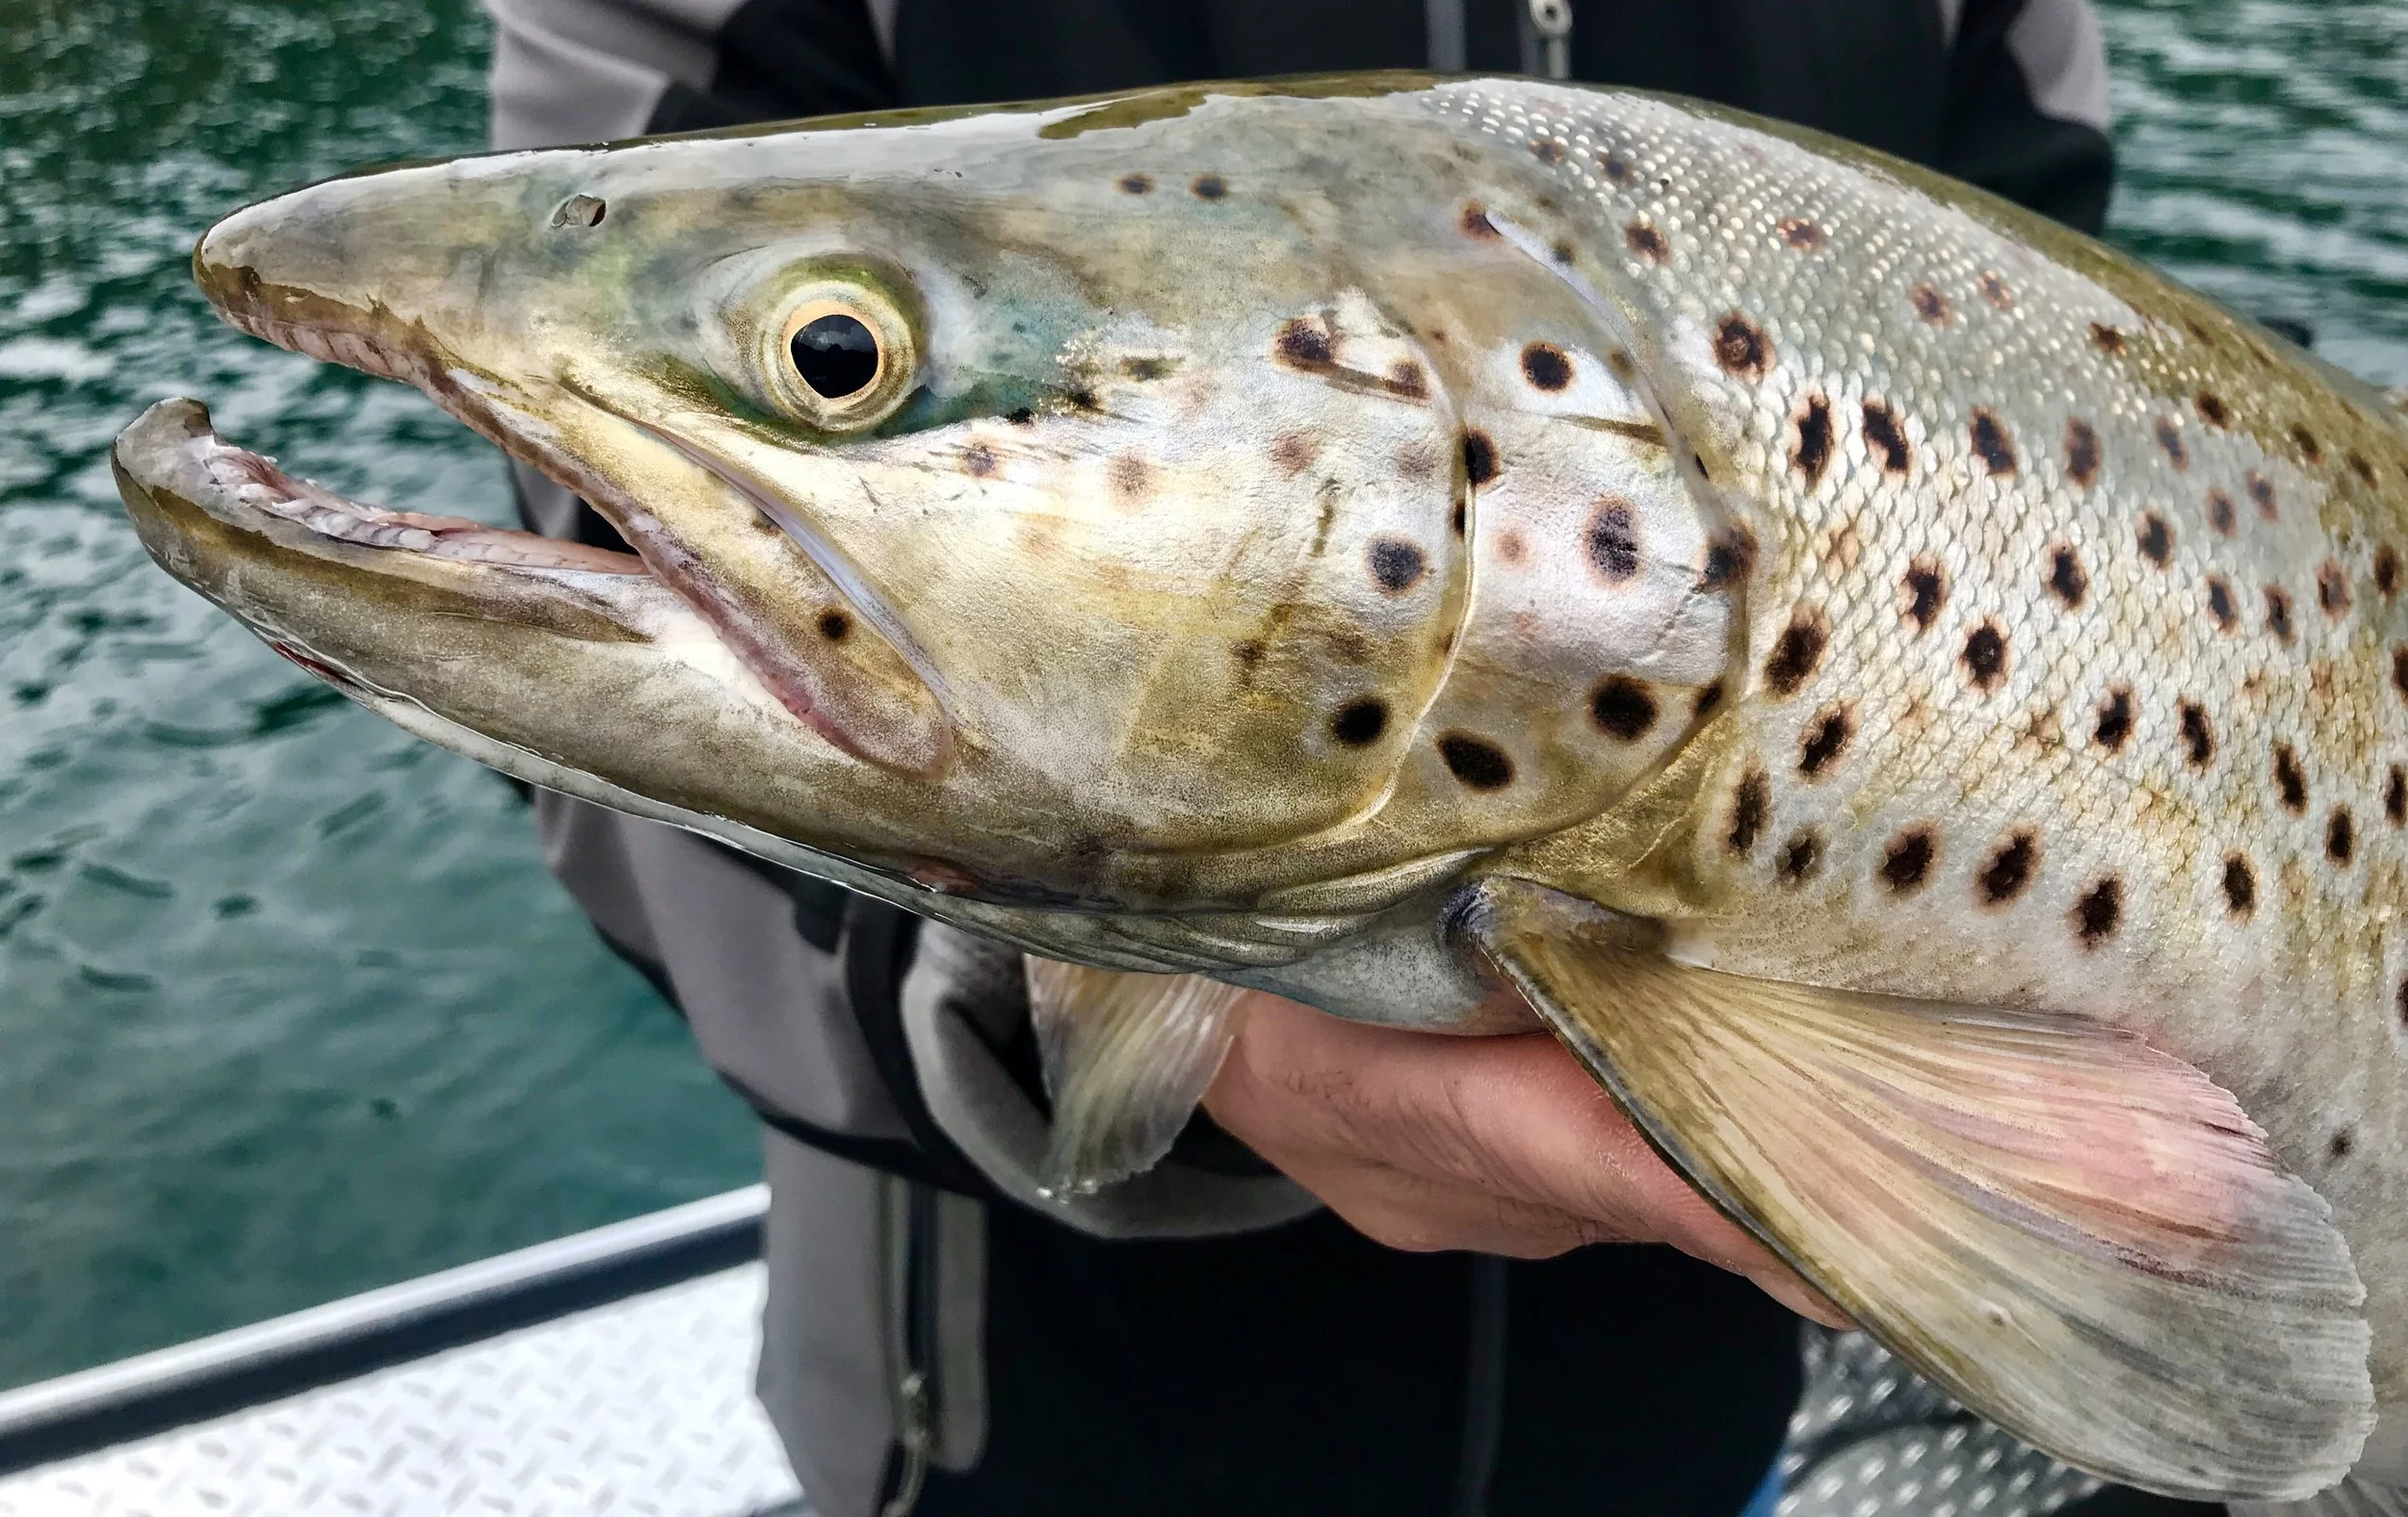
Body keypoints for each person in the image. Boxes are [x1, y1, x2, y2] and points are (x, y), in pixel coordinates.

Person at [484, 3, 2205, 1513]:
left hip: (1697, 1401)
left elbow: (2092, 417)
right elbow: (622, 664)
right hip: (1023, 1434)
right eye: (835, 358)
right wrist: (1066, 1004)